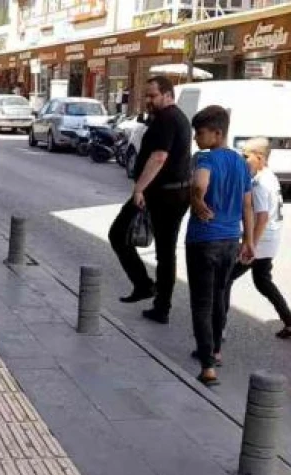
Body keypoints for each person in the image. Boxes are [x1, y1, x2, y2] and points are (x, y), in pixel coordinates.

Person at [108, 76, 192, 323]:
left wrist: (139, 190)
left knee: (121, 235)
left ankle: (154, 297)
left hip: (166, 194)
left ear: (168, 95)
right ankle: (150, 292)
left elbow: (159, 157)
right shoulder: (172, 117)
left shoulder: (167, 118)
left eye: (152, 96)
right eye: (146, 96)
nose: (148, 100)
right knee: (164, 252)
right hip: (170, 192)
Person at [186, 105, 255, 387]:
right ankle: (215, 349)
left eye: (200, 133)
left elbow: (199, 185)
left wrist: (197, 198)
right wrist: (249, 241)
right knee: (219, 297)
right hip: (230, 241)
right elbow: (248, 204)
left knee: (201, 304)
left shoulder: (207, 159)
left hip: (204, 240)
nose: (196, 138)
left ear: (217, 133)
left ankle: (207, 366)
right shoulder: (241, 163)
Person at [225, 138, 291, 339]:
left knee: (224, 280)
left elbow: (261, 217)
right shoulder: (270, 177)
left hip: (260, 240)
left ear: (259, 157)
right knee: (262, 281)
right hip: (271, 239)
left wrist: (249, 244)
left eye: (246, 156)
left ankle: (219, 328)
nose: (243, 160)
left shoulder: (260, 183)